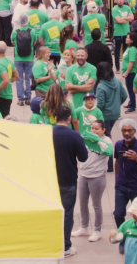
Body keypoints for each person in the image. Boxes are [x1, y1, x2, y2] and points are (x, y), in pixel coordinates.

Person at [50, 104, 88, 257]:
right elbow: (83, 158)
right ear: (70, 119)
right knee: (67, 213)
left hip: (50, 180)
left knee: (52, 212)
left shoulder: (47, 133)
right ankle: (65, 246)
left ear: (55, 118)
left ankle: (51, 242)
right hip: (68, 180)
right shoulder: (74, 136)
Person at [72, 119, 113, 243]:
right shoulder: (87, 139)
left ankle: (97, 230)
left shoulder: (107, 141)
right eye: (92, 128)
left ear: (103, 130)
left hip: (97, 176)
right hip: (83, 174)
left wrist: (98, 141)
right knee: (82, 203)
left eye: (97, 129)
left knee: (96, 205)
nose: (94, 131)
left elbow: (108, 151)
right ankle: (84, 227)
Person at [114, 119, 137, 254]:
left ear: (134, 131)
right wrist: (116, 180)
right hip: (121, 187)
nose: (127, 133)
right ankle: (123, 238)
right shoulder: (118, 145)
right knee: (118, 214)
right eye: (124, 130)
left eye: (129, 130)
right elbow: (117, 162)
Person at [95, 61, 127, 137]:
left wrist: (96, 112)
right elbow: (125, 95)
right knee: (108, 132)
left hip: (105, 115)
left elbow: (100, 104)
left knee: (105, 135)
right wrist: (117, 104)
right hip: (115, 113)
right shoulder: (118, 81)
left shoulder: (101, 86)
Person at [0, 41, 18, 117]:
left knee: (2, 118)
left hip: (2, 96)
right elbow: (16, 76)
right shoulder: (9, 61)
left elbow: (6, 80)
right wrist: (9, 80)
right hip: (8, 94)